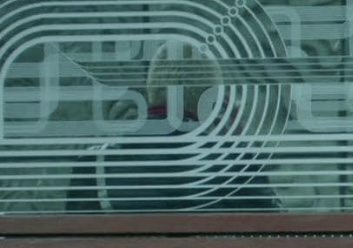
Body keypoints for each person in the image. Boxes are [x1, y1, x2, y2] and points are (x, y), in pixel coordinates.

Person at [65, 44, 280, 213]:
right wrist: (237, 144)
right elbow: (277, 237)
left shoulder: (94, 165)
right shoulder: (236, 166)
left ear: (150, 92)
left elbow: (75, 246)